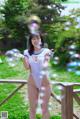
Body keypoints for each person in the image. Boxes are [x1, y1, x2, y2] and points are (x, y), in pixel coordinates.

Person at [23, 34, 52, 119]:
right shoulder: (26, 52)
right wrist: (24, 59)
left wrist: (46, 59)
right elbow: (27, 67)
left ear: (41, 40)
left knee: (44, 109)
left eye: (37, 38)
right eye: (33, 39)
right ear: (31, 41)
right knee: (32, 109)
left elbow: (45, 66)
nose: (35, 40)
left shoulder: (46, 51)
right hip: (32, 82)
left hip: (45, 82)